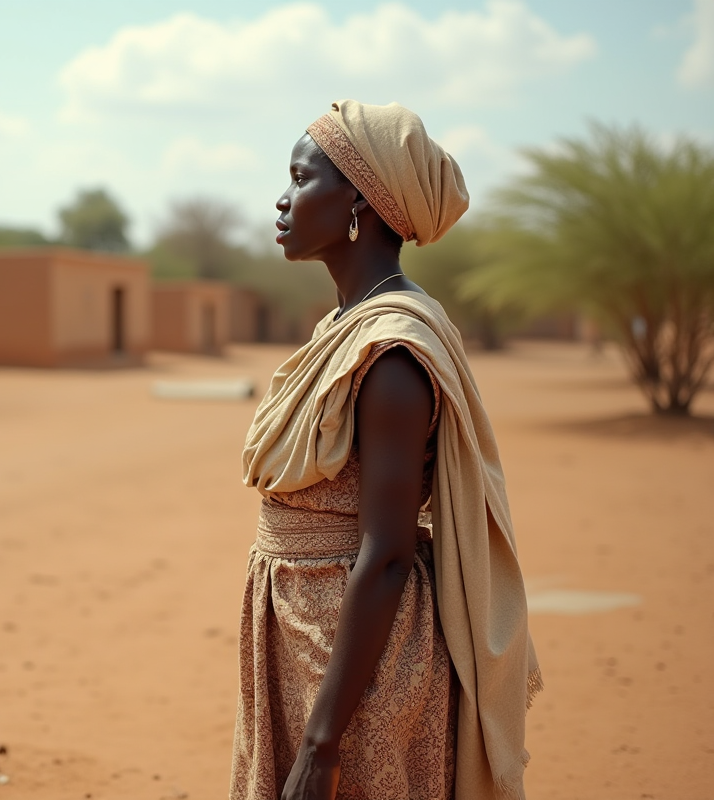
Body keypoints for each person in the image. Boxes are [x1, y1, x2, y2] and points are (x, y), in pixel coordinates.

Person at [231, 100, 542, 800]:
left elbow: (389, 549)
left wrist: (322, 740)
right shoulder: (343, 328)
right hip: (305, 638)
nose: (281, 200)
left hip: (358, 665)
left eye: (301, 178)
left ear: (359, 206)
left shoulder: (391, 353)